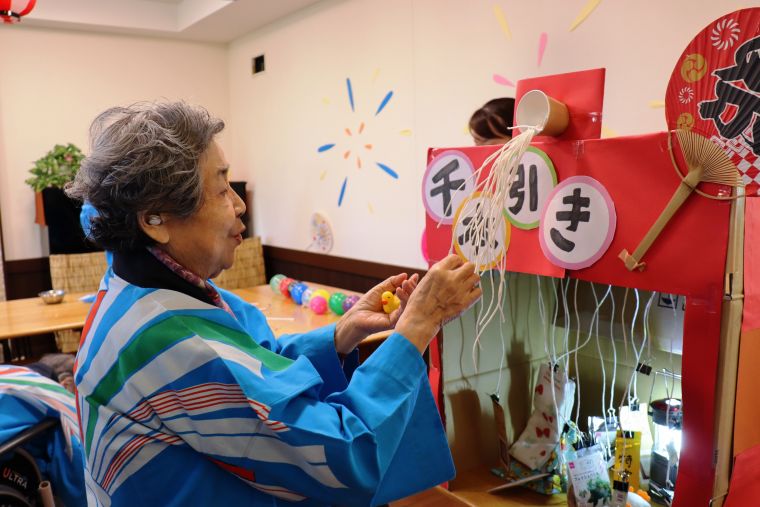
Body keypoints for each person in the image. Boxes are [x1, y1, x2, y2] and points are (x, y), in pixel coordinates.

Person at [65, 102, 482, 506]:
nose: (240, 204)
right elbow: (340, 456)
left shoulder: (138, 289)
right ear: (155, 219)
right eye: (222, 188)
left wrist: (344, 332)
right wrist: (417, 327)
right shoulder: (166, 341)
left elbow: (254, 367)